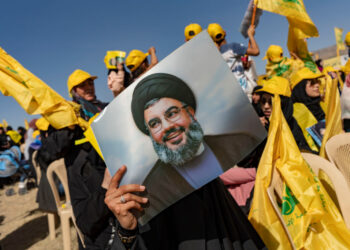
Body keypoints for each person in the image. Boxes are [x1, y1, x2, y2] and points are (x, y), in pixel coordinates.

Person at [105, 73, 266, 250]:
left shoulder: (238, 143)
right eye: (155, 123)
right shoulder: (150, 190)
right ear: (150, 134)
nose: (167, 127)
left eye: (172, 113)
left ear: (190, 112)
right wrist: (126, 231)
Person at [66, 69, 117, 249]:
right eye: (82, 85)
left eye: (90, 83)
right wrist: (70, 126)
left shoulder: (106, 107)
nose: (88, 87)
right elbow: (53, 149)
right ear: (74, 91)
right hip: (90, 174)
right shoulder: (68, 116)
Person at [207, 23, 259, 101]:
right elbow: (256, 51)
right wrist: (250, 35)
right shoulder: (233, 47)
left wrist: (243, 66)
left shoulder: (215, 56)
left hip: (230, 96)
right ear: (224, 32)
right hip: (244, 94)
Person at [290, 67, 325, 153]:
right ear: (300, 86)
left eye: (317, 81)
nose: (317, 85)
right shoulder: (295, 112)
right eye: (312, 82)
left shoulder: (322, 103)